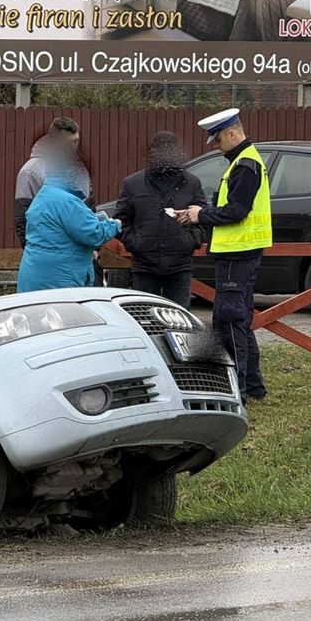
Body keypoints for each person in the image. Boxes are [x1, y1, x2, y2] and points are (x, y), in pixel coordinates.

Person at [179, 108, 272, 403]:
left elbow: (236, 211)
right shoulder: (246, 161)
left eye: (218, 140)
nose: (217, 147)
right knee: (240, 320)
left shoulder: (244, 165)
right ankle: (253, 388)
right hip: (241, 253)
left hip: (237, 254)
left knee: (229, 321)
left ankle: (237, 391)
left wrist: (200, 215)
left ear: (233, 133)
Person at [114, 131, 206, 308]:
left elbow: (202, 217)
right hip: (144, 266)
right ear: (152, 152)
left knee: (180, 322)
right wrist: (136, 243)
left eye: (170, 149)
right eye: (161, 149)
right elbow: (121, 220)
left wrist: (190, 241)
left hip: (180, 265)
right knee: (146, 320)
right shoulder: (133, 183)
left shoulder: (191, 183)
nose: (166, 153)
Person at [17, 150, 122, 293]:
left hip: (36, 275)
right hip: (61, 278)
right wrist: (115, 224)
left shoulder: (44, 195)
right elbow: (93, 233)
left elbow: (62, 228)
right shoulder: (67, 201)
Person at [13, 116, 87, 248]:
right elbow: (23, 217)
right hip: (48, 250)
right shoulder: (31, 171)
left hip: (80, 251)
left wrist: (93, 248)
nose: (72, 148)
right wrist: (34, 251)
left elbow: (89, 209)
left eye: (75, 142)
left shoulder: (79, 170)